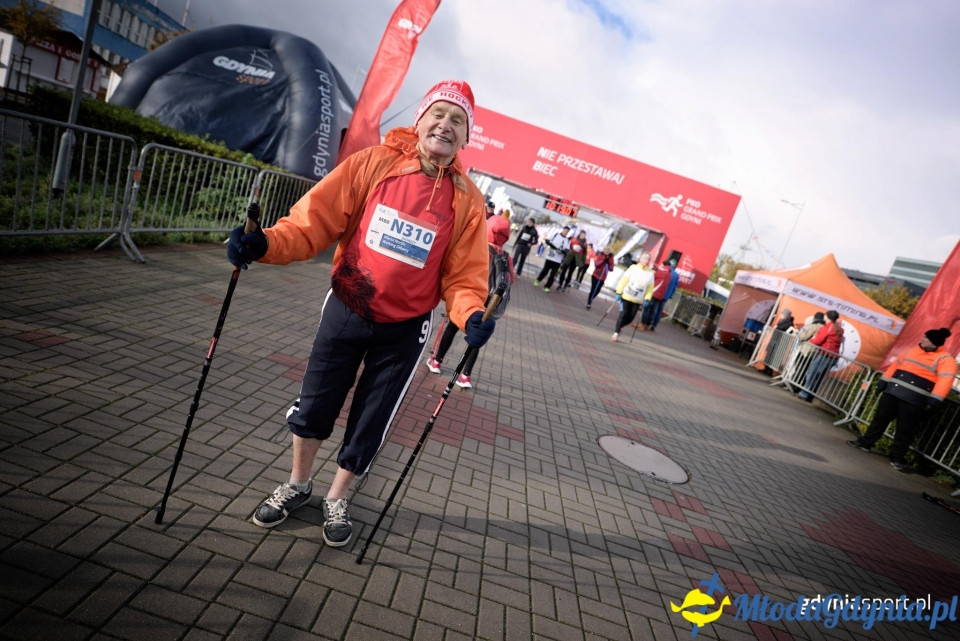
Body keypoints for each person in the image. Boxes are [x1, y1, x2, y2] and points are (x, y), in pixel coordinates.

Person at [226, 79, 495, 548]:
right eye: (439, 114)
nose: (445, 126)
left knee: (371, 420)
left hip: (405, 329)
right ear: (420, 119)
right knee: (315, 404)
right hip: (347, 308)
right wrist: (266, 243)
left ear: (467, 138)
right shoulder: (375, 164)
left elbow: (464, 278)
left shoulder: (467, 200)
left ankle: (337, 498)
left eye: (458, 121)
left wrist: (470, 315)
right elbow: (314, 220)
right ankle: (298, 483)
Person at [425, 200, 514, 389]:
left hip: (470, 295)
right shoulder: (506, 257)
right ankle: (465, 375)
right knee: (478, 336)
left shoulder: (480, 247)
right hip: (491, 303)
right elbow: (510, 280)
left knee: (452, 327)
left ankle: (437, 361)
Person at [848, 328, 956, 471]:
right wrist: (883, 381)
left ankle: (897, 458)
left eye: (925, 337)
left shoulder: (945, 360)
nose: (921, 339)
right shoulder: (913, 350)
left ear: (933, 342)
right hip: (893, 392)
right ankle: (865, 443)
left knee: (905, 430)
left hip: (914, 400)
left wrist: (934, 400)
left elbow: (945, 381)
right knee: (879, 420)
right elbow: (895, 366)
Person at [796, 310, 843, 401]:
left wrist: (812, 340)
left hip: (825, 354)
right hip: (833, 356)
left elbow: (817, 341)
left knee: (812, 373)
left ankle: (804, 393)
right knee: (819, 377)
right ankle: (810, 395)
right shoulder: (839, 328)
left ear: (827, 317)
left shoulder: (828, 327)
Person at [611, 253, 655, 342]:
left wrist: (647, 298)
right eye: (645, 259)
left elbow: (650, 288)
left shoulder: (650, 273)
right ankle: (615, 333)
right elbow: (624, 280)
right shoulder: (633, 268)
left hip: (637, 299)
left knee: (630, 318)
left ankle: (620, 327)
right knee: (623, 314)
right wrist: (619, 292)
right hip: (626, 296)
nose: (646, 261)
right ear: (640, 260)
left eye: (648, 260)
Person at [785, 311, 825, 389]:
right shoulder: (824, 328)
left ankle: (793, 385)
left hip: (806, 350)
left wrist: (797, 334)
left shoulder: (815, 326)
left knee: (799, 367)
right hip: (815, 352)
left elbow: (804, 336)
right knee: (806, 369)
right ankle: (798, 385)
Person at [640, 259, 677, 331]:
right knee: (655, 310)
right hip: (662, 295)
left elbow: (652, 279)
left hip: (654, 292)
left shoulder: (661, 271)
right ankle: (650, 324)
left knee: (647, 308)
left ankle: (643, 324)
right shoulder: (670, 274)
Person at [534, 225, 571, 292]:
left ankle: (547, 286)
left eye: (567, 231)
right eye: (565, 230)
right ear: (563, 230)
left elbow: (567, 250)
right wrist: (551, 245)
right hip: (550, 257)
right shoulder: (556, 235)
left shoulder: (566, 240)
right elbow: (547, 240)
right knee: (545, 271)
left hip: (558, 260)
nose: (565, 232)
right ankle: (538, 280)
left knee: (553, 274)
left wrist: (562, 251)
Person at [761, 308, 796, 375]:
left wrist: (777, 328)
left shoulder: (789, 323)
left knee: (773, 355)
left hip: (780, 341)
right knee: (769, 353)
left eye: (782, 314)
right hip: (775, 339)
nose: (781, 315)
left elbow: (784, 330)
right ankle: (766, 368)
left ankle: (769, 369)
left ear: (785, 315)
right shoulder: (782, 321)